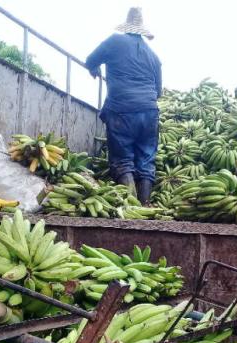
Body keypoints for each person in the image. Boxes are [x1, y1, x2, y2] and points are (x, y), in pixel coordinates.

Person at [86, 7, 162, 204]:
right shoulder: (154, 57)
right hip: (149, 112)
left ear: (127, 26)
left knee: (122, 159)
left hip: (122, 109)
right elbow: (158, 92)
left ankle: (131, 210)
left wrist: (94, 69)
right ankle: (144, 207)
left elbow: (90, 60)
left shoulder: (114, 41)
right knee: (146, 159)